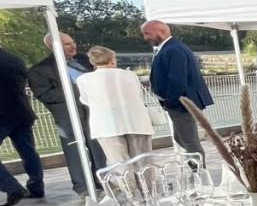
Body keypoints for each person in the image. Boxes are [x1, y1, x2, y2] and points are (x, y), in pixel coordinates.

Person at [27, 32, 104, 195]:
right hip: (67, 117)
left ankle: (102, 180)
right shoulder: (39, 70)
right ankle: (81, 186)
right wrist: (78, 90)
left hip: (92, 111)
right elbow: (45, 95)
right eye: (68, 44)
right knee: (74, 151)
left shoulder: (84, 60)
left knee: (98, 147)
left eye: (73, 42)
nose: (73, 45)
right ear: (54, 46)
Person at [141, 19, 213, 161]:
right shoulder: (170, 47)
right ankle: (196, 167)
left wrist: (170, 102)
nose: (145, 37)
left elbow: (178, 80)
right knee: (181, 137)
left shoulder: (173, 49)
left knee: (189, 141)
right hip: (180, 102)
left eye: (147, 33)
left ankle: (199, 173)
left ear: (160, 32)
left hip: (182, 103)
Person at [77, 46, 154, 165]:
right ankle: (148, 184)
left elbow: (85, 100)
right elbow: (137, 93)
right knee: (143, 162)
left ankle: (126, 184)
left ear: (92, 62)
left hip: (106, 125)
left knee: (119, 163)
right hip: (136, 121)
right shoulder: (129, 75)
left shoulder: (84, 79)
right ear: (112, 60)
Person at [0, 44, 43, 206]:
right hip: (21, 111)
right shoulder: (15, 59)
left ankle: (13, 188)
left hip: (2, 116)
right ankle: (36, 186)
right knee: (28, 151)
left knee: (28, 150)